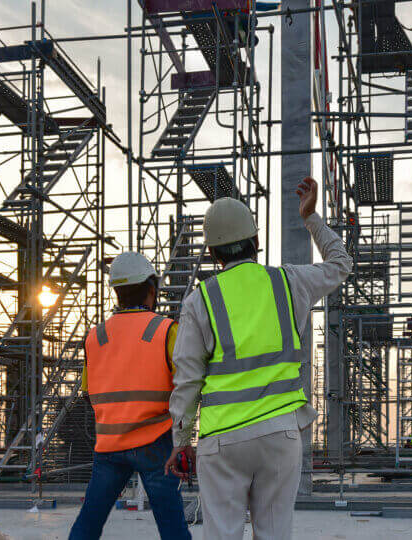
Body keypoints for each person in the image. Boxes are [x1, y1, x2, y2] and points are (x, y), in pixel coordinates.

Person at [164, 177, 351, 540]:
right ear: (256, 241)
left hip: (222, 441)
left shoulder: (199, 301)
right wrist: (311, 218)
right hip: (279, 435)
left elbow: (187, 381)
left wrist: (181, 441)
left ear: (214, 254)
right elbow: (340, 263)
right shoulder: (289, 281)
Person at [68, 252, 191, 540]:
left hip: (109, 446)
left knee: (87, 525)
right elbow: (185, 388)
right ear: (152, 289)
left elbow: (87, 394)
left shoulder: (94, 336)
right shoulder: (165, 330)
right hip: (156, 443)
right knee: (173, 528)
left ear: (117, 292)